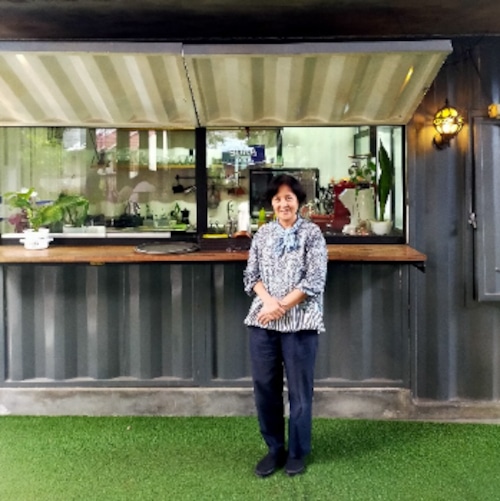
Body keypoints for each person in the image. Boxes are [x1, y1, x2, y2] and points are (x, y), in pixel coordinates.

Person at [243, 174, 328, 478]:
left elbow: (314, 280)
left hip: (300, 323)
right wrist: (269, 303)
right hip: (263, 320)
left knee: (300, 392)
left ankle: (297, 452)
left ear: (299, 202)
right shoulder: (262, 234)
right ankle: (274, 449)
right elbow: (250, 276)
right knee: (265, 388)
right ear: (272, 203)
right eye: (277, 199)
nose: (283, 204)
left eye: (288, 198)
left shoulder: (312, 234)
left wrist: (281, 307)